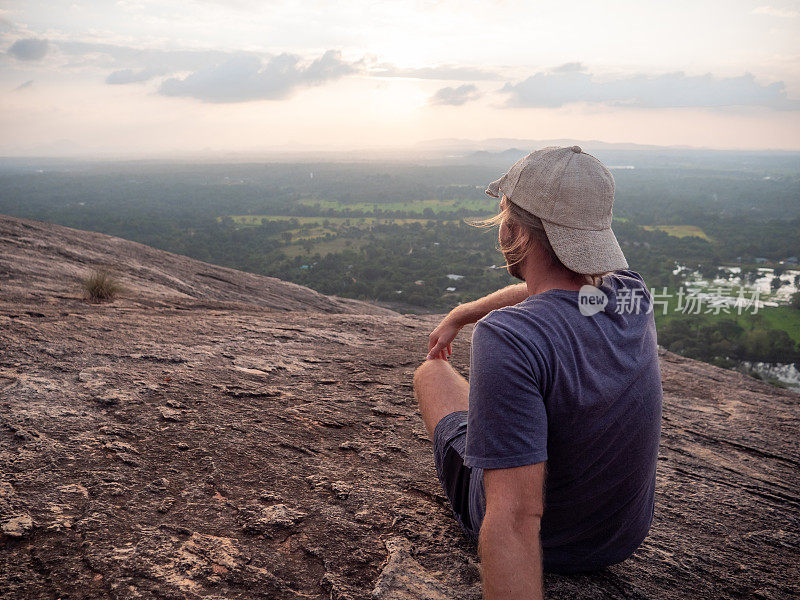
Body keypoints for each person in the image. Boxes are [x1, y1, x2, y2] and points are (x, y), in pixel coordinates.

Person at [413, 146, 663, 600]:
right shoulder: (631, 292)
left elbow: (514, 517)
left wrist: (477, 321)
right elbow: (557, 293)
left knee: (432, 375)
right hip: (619, 538)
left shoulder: (509, 336)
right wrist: (466, 311)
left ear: (513, 230)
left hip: (550, 542)